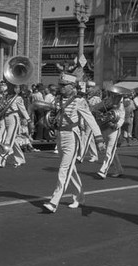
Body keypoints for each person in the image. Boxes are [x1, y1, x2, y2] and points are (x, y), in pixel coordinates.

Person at [43, 72, 105, 213]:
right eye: (61, 85)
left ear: (72, 87)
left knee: (63, 170)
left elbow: (91, 120)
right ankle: (79, 196)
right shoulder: (57, 100)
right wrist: (51, 125)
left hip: (72, 137)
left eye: (65, 85)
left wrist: (99, 139)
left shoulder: (79, 101)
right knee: (71, 169)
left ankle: (54, 202)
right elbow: (53, 117)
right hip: (60, 136)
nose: (62, 87)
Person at [0, 83, 31, 168]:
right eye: (13, 87)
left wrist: (28, 120)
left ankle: (1, 161)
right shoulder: (5, 97)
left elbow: (23, 109)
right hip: (5, 118)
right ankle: (20, 159)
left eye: (16, 87)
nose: (14, 89)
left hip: (13, 118)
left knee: (8, 140)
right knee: (13, 141)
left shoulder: (18, 98)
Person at [96, 85, 127, 179]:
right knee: (112, 151)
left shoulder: (121, 105)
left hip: (114, 129)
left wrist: (116, 125)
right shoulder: (106, 101)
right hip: (105, 127)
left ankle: (103, 170)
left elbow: (121, 118)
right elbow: (96, 108)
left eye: (116, 95)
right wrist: (99, 113)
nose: (114, 96)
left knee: (109, 151)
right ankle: (119, 169)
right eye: (113, 94)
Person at [78, 81, 101, 163]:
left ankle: (81, 156)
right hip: (84, 119)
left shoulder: (96, 99)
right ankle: (94, 155)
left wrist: (89, 105)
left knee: (85, 137)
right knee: (89, 139)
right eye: (87, 87)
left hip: (92, 120)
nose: (88, 89)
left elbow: (97, 110)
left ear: (93, 89)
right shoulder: (86, 97)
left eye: (89, 87)